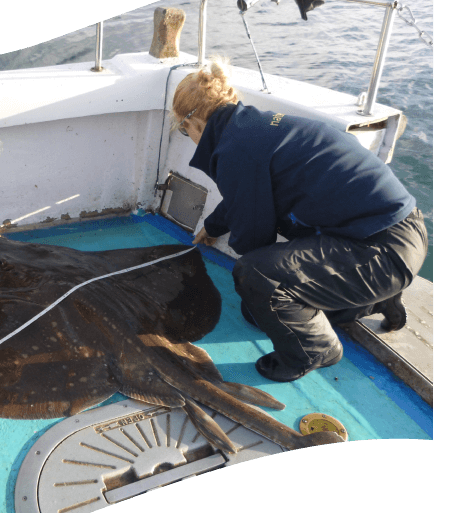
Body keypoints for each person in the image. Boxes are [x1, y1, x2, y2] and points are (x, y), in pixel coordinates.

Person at [170, 58, 428, 382]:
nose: (187, 134)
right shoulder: (252, 129)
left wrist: (243, 255)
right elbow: (250, 193)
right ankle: (377, 301)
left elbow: (253, 239)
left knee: (256, 277)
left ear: (195, 120)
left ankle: (315, 350)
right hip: (402, 234)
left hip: (381, 253)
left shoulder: (236, 150)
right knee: (257, 311)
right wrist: (215, 226)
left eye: (183, 127)